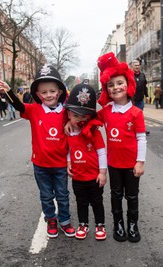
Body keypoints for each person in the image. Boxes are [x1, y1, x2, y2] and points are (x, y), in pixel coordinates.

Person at [0, 65, 75, 238]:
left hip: (60, 164)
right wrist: (8, 91)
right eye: (44, 92)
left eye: (52, 91)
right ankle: (50, 219)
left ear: (59, 92)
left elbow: (82, 119)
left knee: (62, 195)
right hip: (41, 165)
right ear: (38, 95)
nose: (48, 95)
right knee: (46, 195)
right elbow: (18, 105)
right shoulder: (34, 110)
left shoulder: (67, 113)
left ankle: (64, 220)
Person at [97, 52, 147, 242]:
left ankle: (132, 225)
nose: (116, 87)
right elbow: (90, 123)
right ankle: (118, 225)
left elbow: (141, 139)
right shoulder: (106, 112)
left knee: (132, 196)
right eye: (111, 85)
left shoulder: (136, 113)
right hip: (114, 164)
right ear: (106, 90)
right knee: (116, 196)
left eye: (119, 83)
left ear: (128, 84)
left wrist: (140, 162)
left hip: (131, 164)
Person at [64, 83, 107, 240]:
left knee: (97, 202)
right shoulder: (69, 132)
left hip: (94, 177)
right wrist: (68, 162)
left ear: (90, 117)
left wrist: (102, 173)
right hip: (78, 177)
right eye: (76, 116)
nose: (80, 120)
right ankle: (83, 224)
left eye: (84, 116)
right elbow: (69, 150)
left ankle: (100, 225)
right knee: (81, 202)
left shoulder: (95, 133)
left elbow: (102, 153)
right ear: (69, 115)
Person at [131, 59, 150, 135]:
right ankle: (132, 129)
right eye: (135, 65)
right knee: (132, 115)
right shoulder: (129, 75)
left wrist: (147, 96)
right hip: (132, 100)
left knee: (140, 115)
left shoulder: (142, 75)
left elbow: (145, 87)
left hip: (140, 99)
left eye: (138, 65)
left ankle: (142, 130)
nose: (137, 67)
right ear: (132, 66)